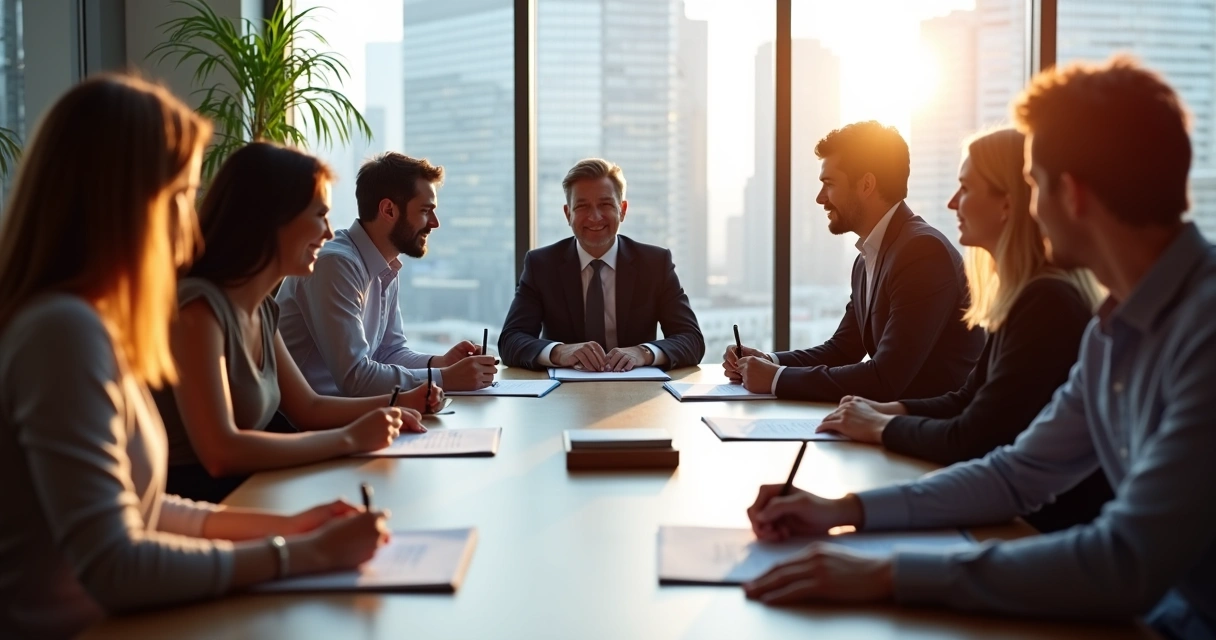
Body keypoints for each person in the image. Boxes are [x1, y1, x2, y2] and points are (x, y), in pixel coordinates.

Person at [742, 58, 1216, 639]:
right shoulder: (1111, 331)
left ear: (1072, 194)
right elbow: (1017, 473)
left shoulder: (1203, 332)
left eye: (1035, 184)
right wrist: (843, 511)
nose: (1032, 207)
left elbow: (1125, 561)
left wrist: (890, 572)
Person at [0, 75, 391, 638]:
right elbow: (116, 566)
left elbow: (148, 510)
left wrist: (292, 528)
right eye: (181, 195)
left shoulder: (94, 327)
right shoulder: (62, 332)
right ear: (126, 202)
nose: (191, 222)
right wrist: (298, 554)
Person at [817, 128, 1112, 533]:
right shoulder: (1026, 296)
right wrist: (889, 411)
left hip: (1041, 529)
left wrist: (880, 426)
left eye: (965, 188)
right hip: (1019, 511)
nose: (952, 202)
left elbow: (973, 437)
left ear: (1007, 203)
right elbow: (967, 399)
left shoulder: (1047, 303)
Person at [153, 142, 441, 504]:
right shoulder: (198, 308)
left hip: (251, 490)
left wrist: (397, 403)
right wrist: (351, 437)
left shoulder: (260, 308)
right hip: (203, 502)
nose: (327, 232)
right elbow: (220, 452)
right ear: (274, 219)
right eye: (320, 215)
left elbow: (309, 407)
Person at [724, 122, 983, 403]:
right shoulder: (868, 258)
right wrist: (767, 360)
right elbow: (842, 350)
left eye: (829, 184)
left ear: (866, 184)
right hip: (888, 425)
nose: (820, 198)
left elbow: (885, 379)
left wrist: (775, 379)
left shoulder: (921, 252)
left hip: (931, 434)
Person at [276, 152, 497, 395]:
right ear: (388, 210)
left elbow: (389, 352)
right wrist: (445, 378)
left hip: (348, 413)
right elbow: (356, 377)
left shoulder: (386, 264)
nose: (435, 223)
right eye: (425, 210)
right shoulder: (335, 264)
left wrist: (441, 364)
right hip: (303, 423)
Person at [499, 158, 705, 371]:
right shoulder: (541, 265)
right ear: (568, 214)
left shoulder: (654, 264)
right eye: (582, 206)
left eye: (605, 204)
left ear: (622, 209)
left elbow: (692, 340)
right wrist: (558, 352)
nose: (594, 216)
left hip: (636, 394)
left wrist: (643, 352)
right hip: (562, 395)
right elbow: (510, 341)